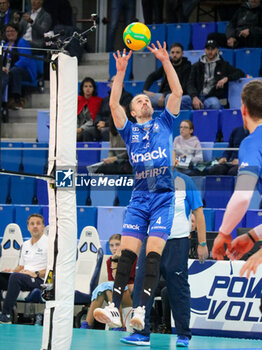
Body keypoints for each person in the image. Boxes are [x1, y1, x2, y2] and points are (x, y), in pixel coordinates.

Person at [93, 41, 183, 332]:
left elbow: (177, 92)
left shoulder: (165, 122)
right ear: (132, 112)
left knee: (152, 255)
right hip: (140, 197)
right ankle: (113, 308)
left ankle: (141, 310)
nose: (144, 101)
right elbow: (112, 104)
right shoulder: (129, 130)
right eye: (139, 101)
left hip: (163, 197)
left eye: (147, 99)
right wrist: (120, 73)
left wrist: (165, 61)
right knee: (127, 255)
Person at [120, 150, 208, 347]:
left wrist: (202, 243)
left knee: (178, 289)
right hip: (151, 242)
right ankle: (141, 333)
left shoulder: (186, 182)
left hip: (177, 243)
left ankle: (183, 334)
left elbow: (199, 214)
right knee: (143, 286)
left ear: (176, 161)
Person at [212, 80, 262, 267]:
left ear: (244, 110)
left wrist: (224, 232)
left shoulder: (252, 142)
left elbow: (242, 197)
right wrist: (253, 235)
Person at [80, 233, 137, 330]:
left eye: (117, 244)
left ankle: (119, 325)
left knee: (109, 288)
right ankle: (87, 325)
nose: (114, 248)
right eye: (111, 245)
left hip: (131, 296)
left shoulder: (132, 259)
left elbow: (128, 283)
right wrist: (114, 261)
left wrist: (115, 262)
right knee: (105, 290)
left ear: (123, 245)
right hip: (118, 292)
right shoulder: (109, 261)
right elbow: (114, 282)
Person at [0, 213, 47, 324]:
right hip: (24, 277)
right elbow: (21, 267)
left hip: (40, 281)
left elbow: (53, 269)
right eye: (32, 224)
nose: (35, 226)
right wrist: (10, 271)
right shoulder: (25, 245)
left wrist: (36, 273)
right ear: (28, 227)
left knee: (16, 277)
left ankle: (5, 315)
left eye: (38, 224)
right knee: (3, 276)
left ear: (43, 226)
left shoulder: (49, 244)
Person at [187, 39, 245, 110]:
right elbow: (190, 83)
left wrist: (226, 78)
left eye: (213, 49)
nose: (210, 51)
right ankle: (188, 120)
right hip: (197, 95)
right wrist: (194, 97)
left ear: (217, 50)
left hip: (212, 96)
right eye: (208, 49)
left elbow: (240, 73)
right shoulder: (196, 66)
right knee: (183, 100)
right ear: (205, 50)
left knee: (215, 104)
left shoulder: (223, 65)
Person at [143, 43, 192, 110]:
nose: (175, 55)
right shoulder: (167, 64)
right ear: (169, 54)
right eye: (172, 52)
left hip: (179, 95)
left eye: (177, 52)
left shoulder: (187, 67)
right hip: (163, 95)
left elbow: (182, 87)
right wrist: (145, 90)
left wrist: (164, 95)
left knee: (169, 98)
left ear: (182, 54)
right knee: (143, 98)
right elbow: (152, 76)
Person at [2, 23, 37, 111]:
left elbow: (24, 60)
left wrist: (9, 70)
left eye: (12, 31)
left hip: (25, 71)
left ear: (17, 32)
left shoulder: (22, 42)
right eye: (7, 31)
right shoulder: (4, 45)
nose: (10, 33)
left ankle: (17, 99)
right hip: (8, 70)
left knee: (15, 71)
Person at [92, 76, 133, 142]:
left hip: (117, 126)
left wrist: (106, 124)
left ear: (122, 85)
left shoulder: (127, 97)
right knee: (87, 132)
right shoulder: (105, 99)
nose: (114, 83)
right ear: (110, 84)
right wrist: (98, 123)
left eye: (117, 81)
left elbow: (123, 116)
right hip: (103, 125)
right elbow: (99, 113)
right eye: (112, 81)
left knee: (105, 132)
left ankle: (110, 151)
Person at [77, 77, 102, 142]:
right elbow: (74, 117)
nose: (88, 88)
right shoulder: (77, 100)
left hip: (90, 126)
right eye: (85, 86)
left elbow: (93, 119)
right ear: (82, 88)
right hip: (77, 126)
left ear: (93, 88)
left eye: (90, 86)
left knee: (84, 133)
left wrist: (81, 128)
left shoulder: (98, 101)